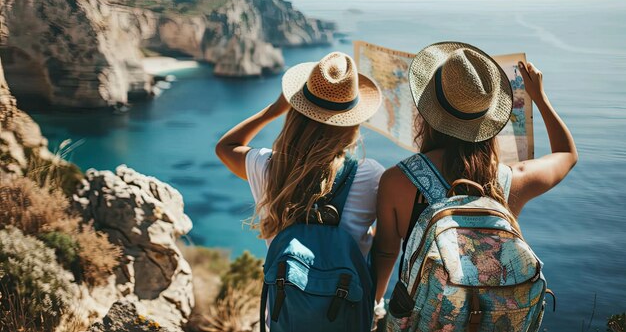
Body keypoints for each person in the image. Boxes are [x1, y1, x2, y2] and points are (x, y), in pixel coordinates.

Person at [373, 42, 578, 323]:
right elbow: (567, 154)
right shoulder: (510, 180)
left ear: (428, 114)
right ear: (489, 121)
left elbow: (385, 252)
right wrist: (539, 97)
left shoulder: (397, 181)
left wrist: (376, 307)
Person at [215, 51, 385, 331]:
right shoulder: (371, 175)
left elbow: (226, 146)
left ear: (296, 110)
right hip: (346, 314)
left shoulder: (269, 168)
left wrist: (275, 108)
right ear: (352, 121)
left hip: (286, 317)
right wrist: (375, 301)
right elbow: (384, 249)